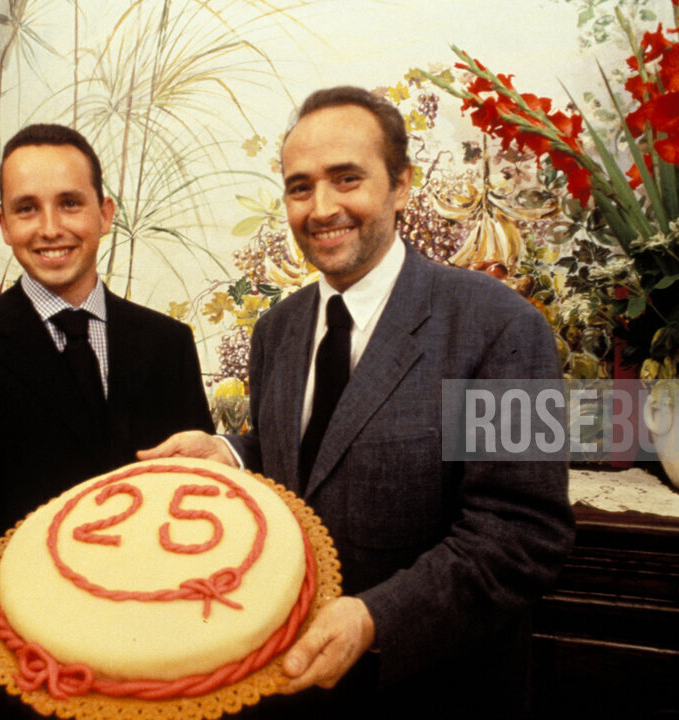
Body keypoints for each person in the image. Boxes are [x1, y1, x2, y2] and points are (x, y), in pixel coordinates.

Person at [140, 86, 575, 718]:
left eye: (348, 179)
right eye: (299, 187)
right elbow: (308, 457)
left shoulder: (503, 325)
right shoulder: (277, 329)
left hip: (432, 691)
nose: (322, 208)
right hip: (290, 688)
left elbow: (524, 535)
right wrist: (228, 454)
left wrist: (375, 619)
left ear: (401, 185)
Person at [0, 123, 214, 718]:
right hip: (21, 663)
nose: (49, 228)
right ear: (3, 224)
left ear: (105, 212)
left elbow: (190, 493)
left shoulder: (168, 342)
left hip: (151, 650)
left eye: (70, 203)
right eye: (27, 208)